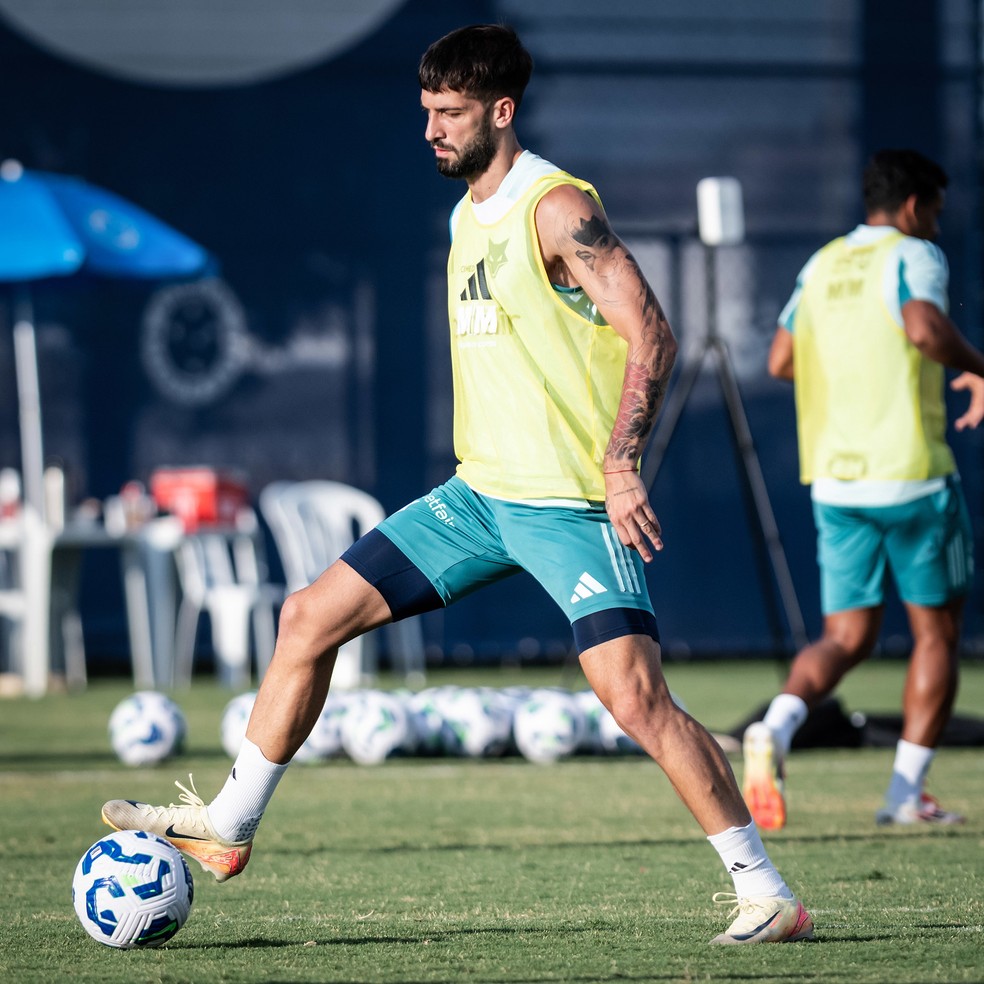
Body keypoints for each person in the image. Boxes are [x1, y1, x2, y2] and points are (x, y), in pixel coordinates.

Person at [102, 24, 813, 945]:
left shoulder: (555, 206)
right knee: (306, 617)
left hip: (567, 505)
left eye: (451, 113)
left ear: (501, 111)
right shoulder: (463, 214)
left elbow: (654, 332)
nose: (432, 129)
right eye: (427, 111)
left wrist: (620, 463)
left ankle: (766, 893)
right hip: (478, 499)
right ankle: (229, 825)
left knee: (635, 699)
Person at [742, 148, 984, 831]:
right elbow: (924, 329)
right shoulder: (915, 253)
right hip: (910, 476)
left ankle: (775, 728)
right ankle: (905, 794)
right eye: (934, 211)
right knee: (936, 634)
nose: (936, 225)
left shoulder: (822, 263)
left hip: (835, 480)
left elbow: (781, 359)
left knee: (845, 635)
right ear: (912, 207)